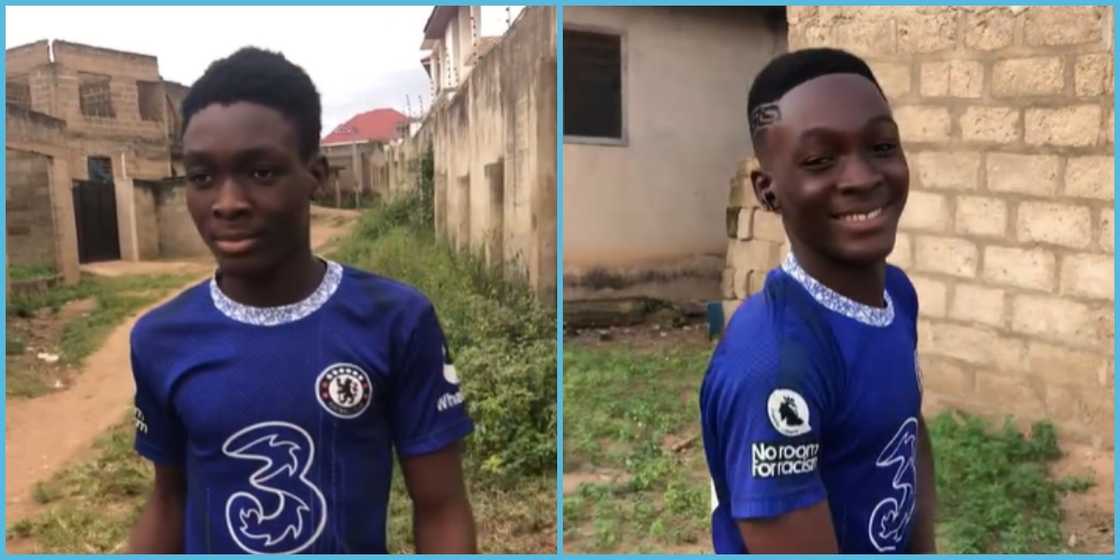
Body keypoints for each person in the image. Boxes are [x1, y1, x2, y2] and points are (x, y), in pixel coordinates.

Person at [127, 47, 477, 554]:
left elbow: (442, 508)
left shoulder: (396, 321)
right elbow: (169, 501)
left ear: (316, 173)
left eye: (261, 173)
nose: (227, 203)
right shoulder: (160, 338)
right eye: (202, 178)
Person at [699, 47, 937, 554]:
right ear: (768, 192)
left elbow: (908, 435)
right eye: (819, 160)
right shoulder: (774, 365)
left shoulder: (896, 294)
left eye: (881, 146)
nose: (863, 178)